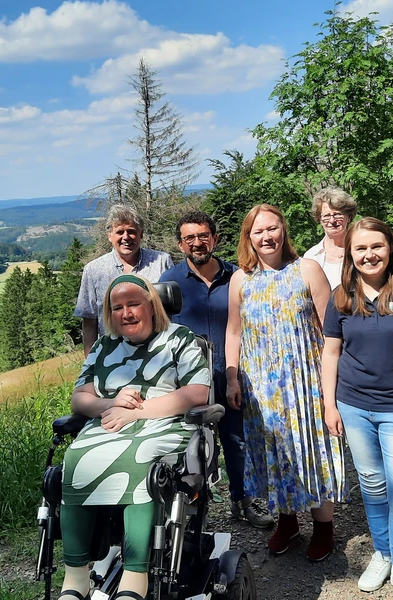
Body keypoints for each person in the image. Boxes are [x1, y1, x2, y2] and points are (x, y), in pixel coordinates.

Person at [59, 274, 210, 600]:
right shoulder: (103, 347)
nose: (126, 313)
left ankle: (135, 576)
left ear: (151, 306)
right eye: (117, 308)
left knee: (140, 458)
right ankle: (76, 578)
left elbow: (197, 392)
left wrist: (138, 412)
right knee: (74, 459)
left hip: (165, 424)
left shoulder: (179, 339)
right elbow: (79, 398)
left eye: (133, 304)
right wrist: (110, 403)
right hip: (110, 425)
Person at [321, 218, 393, 600]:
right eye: (361, 248)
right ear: (350, 254)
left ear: (390, 249)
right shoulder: (341, 296)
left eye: (377, 246)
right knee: (372, 485)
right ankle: (383, 553)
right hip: (353, 405)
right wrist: (329, 405)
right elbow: (331, 352)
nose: (369, 254)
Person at [225, 204, 347, 562]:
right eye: (259, 231)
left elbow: (331, 330)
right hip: (260, 388)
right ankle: (288, 520)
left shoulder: (307, 269)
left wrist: (333, 384)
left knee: (313, 449)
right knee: (276, 453)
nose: (267, 237)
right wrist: (232, 377)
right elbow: (234, 331)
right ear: (249, 238)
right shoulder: (240, 279)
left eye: (273, 228)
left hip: (306, 382)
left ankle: (323, 527)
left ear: (283, 230)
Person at [159, 211, 274, 529]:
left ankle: (244, 500)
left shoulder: (237, 276)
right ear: (180, 244)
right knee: (189, 445)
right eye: (189, 238)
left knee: (238, 442)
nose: (197, 243)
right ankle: (191, 510)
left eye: (203, 236)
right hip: (188, 380)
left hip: (232, 373)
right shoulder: (169, 282)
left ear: (215, 239)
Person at [74, 204, 173, 355]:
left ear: (141, 234)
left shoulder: (161, 261)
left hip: (159, 352)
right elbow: (89, 321)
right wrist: (90, 362)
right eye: (119, 232)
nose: (126, 237)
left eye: (131, 231)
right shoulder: (93, 270)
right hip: (112, 355)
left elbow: (174, 312)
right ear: (109, 236)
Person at [303, 187, 358, 289]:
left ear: (349, 217)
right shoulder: (311, 256)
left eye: (337, 215)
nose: (332, 221)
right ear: (319, 219)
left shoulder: (361, 250)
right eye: (327, 216)